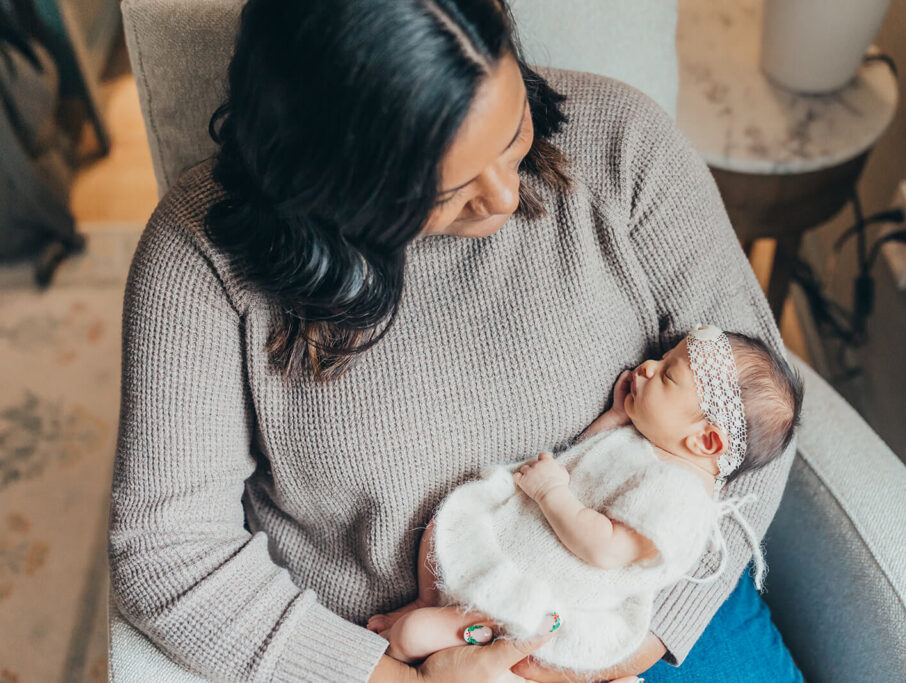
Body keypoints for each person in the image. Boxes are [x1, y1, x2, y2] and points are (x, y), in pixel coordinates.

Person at [106, 0, 803, 681]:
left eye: (512, 134)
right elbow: (170, 553)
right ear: (331, 177)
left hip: (639, 614)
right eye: (447, 186)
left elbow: (758, 424)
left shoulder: (624, 144)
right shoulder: (198, 259)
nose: (503, 197)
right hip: (402, 651)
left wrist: (614, 650)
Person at [365, 327, 804, 679]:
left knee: (410, 637)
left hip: (535, 598)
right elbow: (591, 465)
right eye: (664, 357)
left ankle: (420, 632)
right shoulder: (653, 443)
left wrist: (550, 492)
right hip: (514, 551)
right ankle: (428, 601)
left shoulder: (682, 498)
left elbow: (606, 548)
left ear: (705, 440)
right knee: (446, 525)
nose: (648, 366)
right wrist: (613, 420)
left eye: (668, 374)